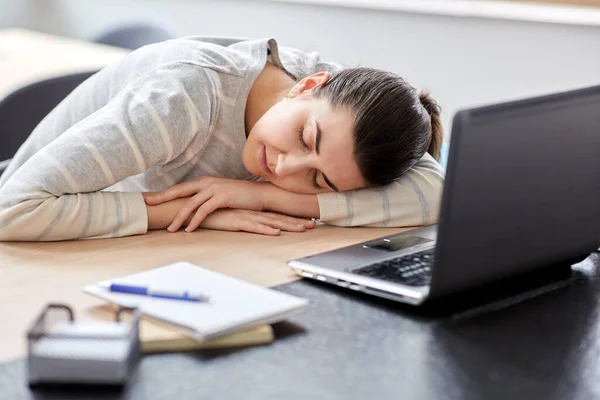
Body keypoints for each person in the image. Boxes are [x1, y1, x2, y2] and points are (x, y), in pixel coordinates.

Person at [0, 36, 444, 241]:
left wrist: (265, 199)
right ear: (308, 84)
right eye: (305, 139)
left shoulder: (338, 108)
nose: (285, 169)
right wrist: (192, 212)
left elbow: (435, 193)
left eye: (319, 182)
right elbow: (12, 210)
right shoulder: (182, 98)